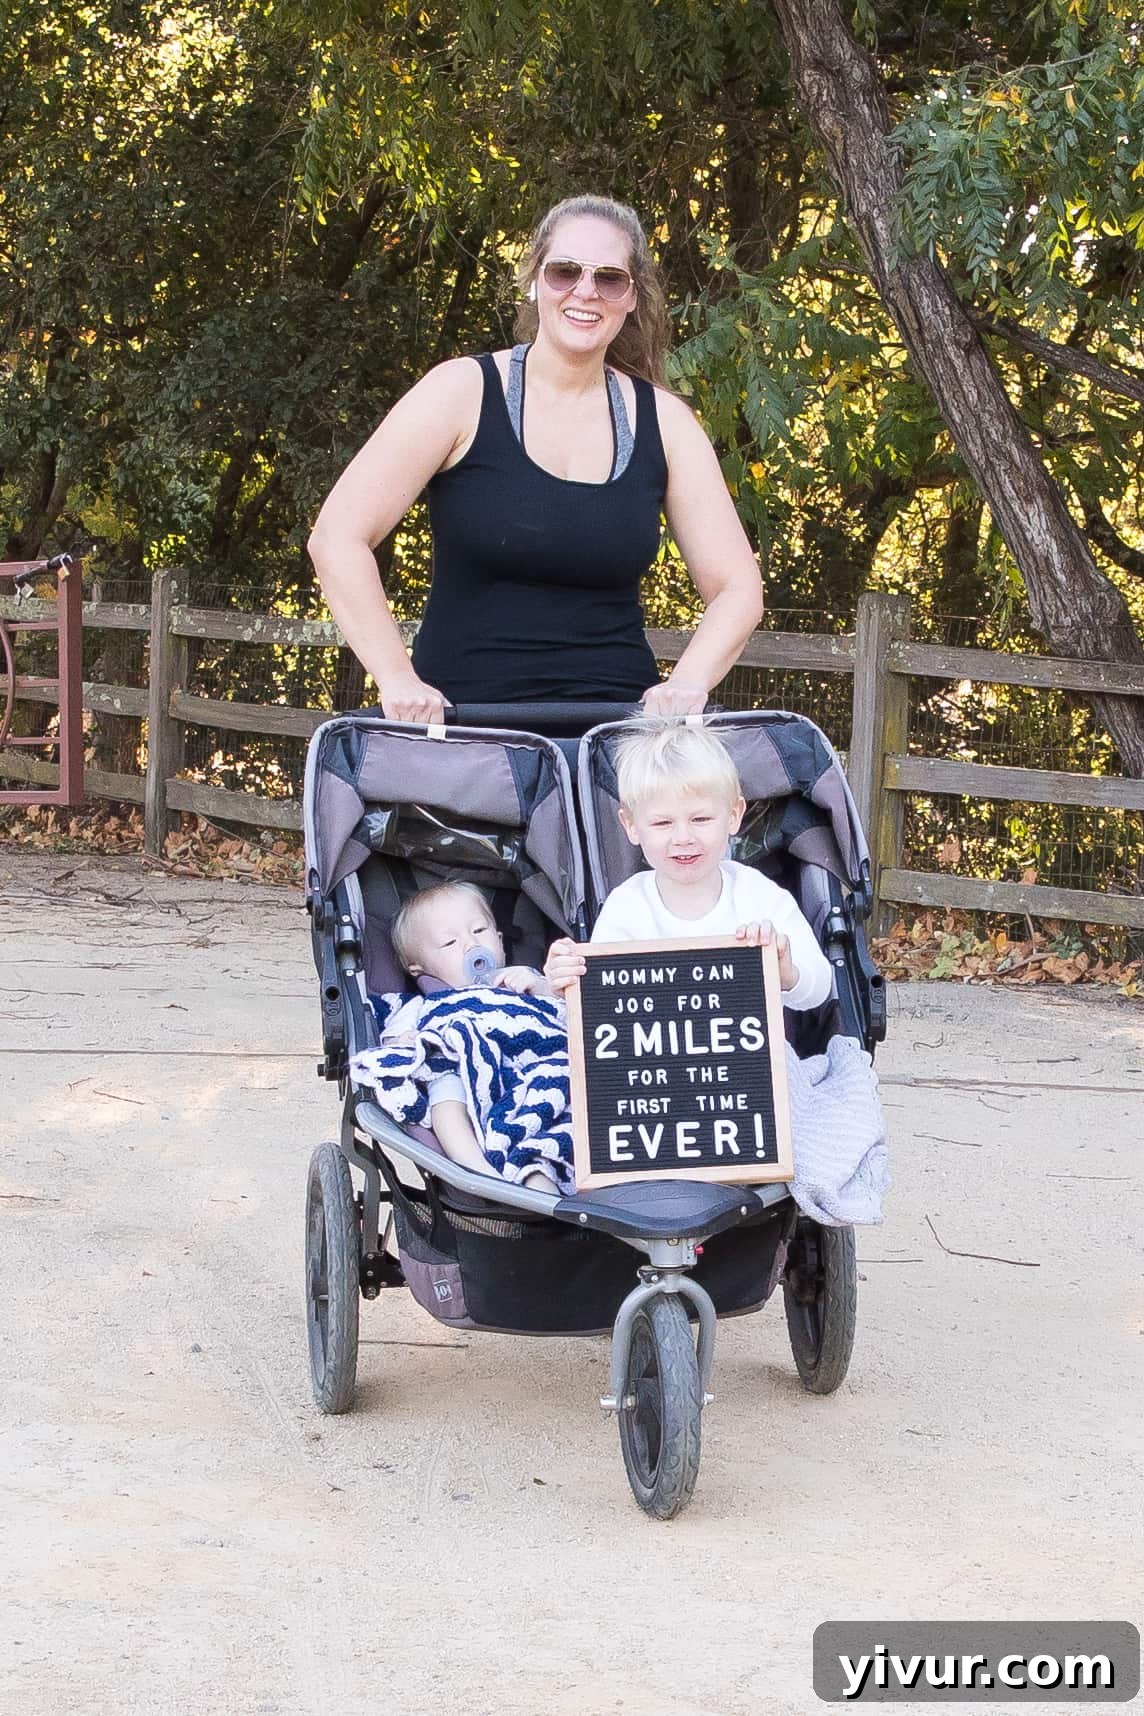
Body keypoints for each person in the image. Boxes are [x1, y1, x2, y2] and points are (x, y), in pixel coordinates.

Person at [307, 193, 764, 720]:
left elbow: (738, 587)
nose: (585, 292)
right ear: (535, 279)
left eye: (609, 278)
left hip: (612, 743)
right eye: (565, 271)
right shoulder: (460, 392)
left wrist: (686, 684)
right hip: (468, 736)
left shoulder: (665, 422)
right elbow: (337, 538)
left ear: (633, 296)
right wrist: (395, 677)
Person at [544, 719, 834, 1011]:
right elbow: (603, 1003)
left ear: (734, 815)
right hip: (655, 1052)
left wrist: (786, 974)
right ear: (631, 826)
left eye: (701, 819)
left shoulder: (759, 896)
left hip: (748, 1052)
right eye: (662, 823)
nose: (683, 838)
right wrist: (568, 980)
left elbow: (820, 988)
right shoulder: (627, 906)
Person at [371, 882, 567, 1192]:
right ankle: (477, 1170)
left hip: (539, 1071)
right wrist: (409, 1042)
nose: (469, 945)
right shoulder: (425, 1004)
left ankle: (543, 1181)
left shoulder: (525, 984)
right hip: (468, 1072)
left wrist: (542, 987)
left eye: (479, 931)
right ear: (417, 968)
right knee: (443, 1083)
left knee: (567, 1082)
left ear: (500, 942)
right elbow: (395, 1043)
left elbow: (567, 1018)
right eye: (449, 943)